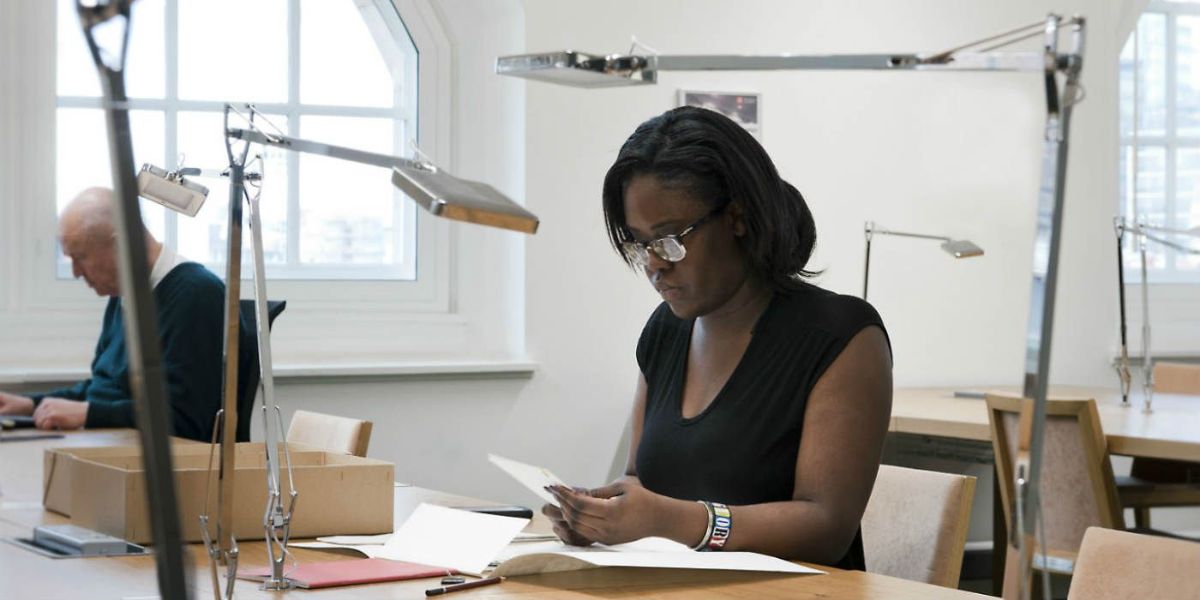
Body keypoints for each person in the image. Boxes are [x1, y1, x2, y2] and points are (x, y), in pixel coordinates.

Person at [543, 106, 893, 569]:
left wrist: (670, 520)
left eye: (670, 239)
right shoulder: (665, 331)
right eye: (639, 243)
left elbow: (825, 529)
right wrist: (600, 517)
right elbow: (640, 481)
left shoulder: (841, 336)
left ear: (738, 218)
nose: (654, 264)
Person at [0, 187, 227, 441]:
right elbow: (105, 390)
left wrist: (89, 414)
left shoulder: (197, 295)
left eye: (80, 257)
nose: (75, 272)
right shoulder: (123, 295)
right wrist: (31, 405)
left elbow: (186, 419)